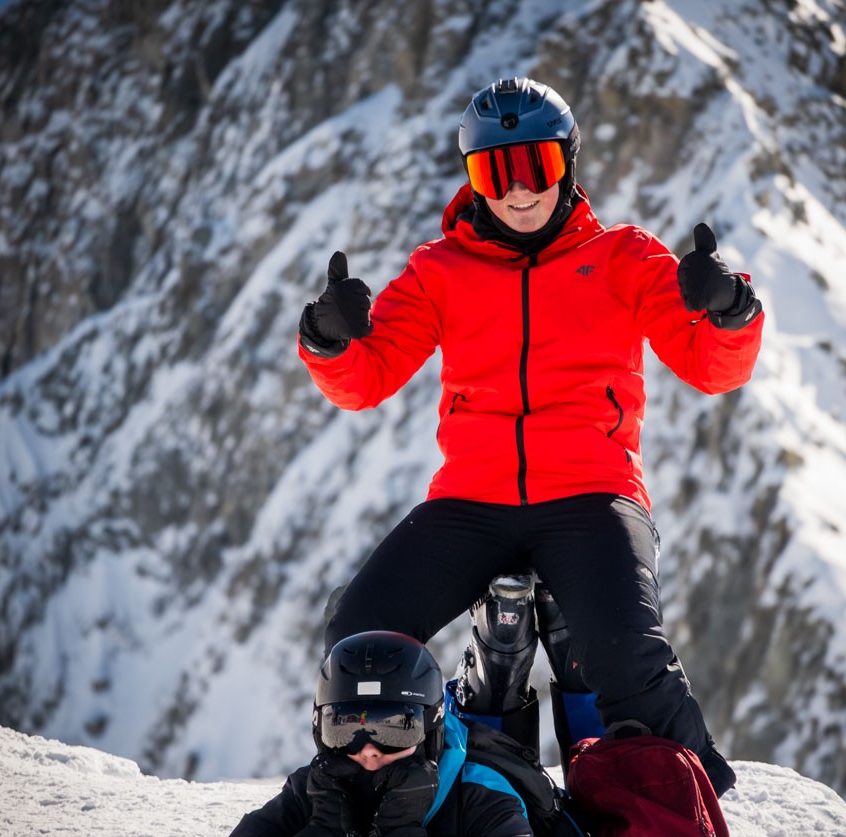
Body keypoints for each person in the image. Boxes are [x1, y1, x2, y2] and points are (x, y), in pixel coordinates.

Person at [297, 77, 764, 796]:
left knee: (625, 653)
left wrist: (730, 310)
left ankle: (687, 823)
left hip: (591, 496)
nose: (519, 191)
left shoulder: (624, 256)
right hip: (471, 501)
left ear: (566, 164)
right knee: (360, 640)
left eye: (535, 166)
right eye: (496, 171)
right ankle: (405, 810)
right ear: (473, 179)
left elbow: (710, 366)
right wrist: (328, 340)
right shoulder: (440, 270)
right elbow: (366, 379)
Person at [170, 631, 552, 837]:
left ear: (430, 729)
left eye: (395, 728)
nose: (368, 751)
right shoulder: (318, 792)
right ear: (320, 730)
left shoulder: (480, 793)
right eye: (345, 728)